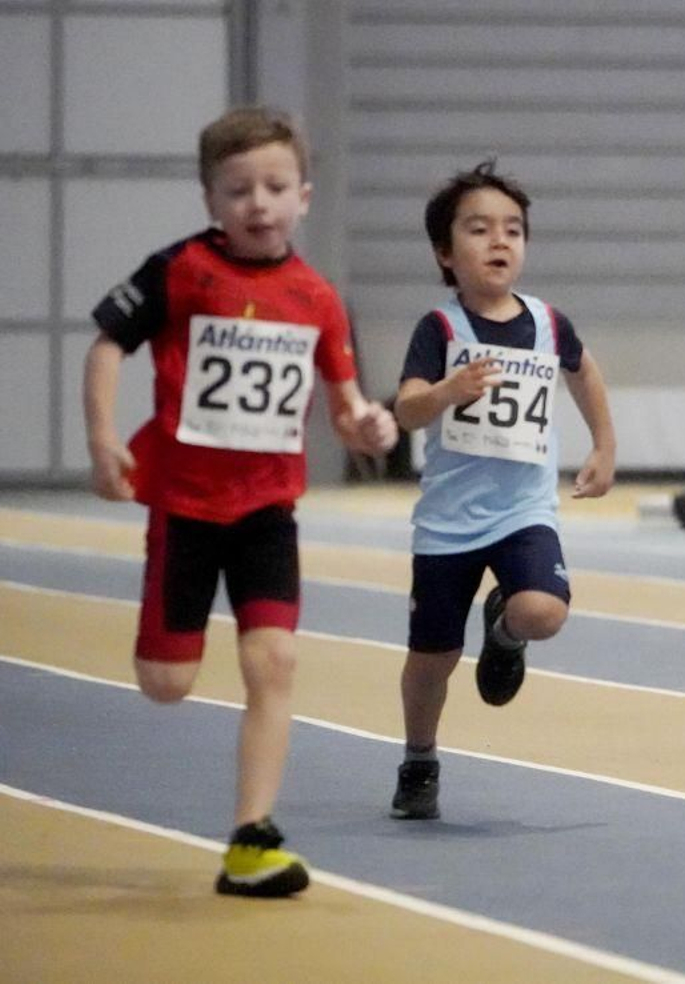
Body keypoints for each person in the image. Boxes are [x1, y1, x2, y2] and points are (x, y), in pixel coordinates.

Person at [83, 106, 399, 896]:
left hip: (266, 510)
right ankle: (169, 641)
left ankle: (251, 839)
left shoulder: (317, 299)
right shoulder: (182, 271)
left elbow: (347, 406)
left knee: (275, 661)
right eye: (238, 189)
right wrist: (101, 438)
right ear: (210, 201)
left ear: (304, 197)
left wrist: (368, 424)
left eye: (274, 186)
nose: (257, 203)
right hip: (184, 506)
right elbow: (106, 345)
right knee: (167, 683)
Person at [389, 161, 616, 820]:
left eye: (513, 230)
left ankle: (507, 630)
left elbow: (584, 372)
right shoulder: (440, 329)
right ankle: (419, 759)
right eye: (479, 229)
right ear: (444, 251)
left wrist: (604, 445)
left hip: (523, 511)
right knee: (432, 658)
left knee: (543, 611)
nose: (499, 241)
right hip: (448, 522)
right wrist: (445, 392)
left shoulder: (547, 323)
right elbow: (406, 410)